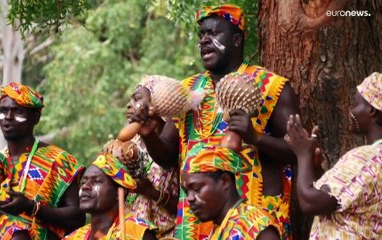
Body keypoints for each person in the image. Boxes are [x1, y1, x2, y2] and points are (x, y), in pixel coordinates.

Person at [128, 4, 299, 239]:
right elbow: (168, 158)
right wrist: (148, 135)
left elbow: (300, 151)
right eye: (201, 35)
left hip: (254, 218)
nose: (205, 41)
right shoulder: (187, 90)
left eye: (214, 33)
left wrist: (255, 138)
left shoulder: (270, 86)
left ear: (237, 39)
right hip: (195, 219)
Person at [285, 72, 382, 239]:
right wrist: (314, 168)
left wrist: (302, 155)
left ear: (371, 110)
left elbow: (310, 202)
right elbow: (342, 200)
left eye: (356, 104)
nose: (351, 111)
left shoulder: (366, 160)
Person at [0, 82, 85, 239]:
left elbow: (77, 217)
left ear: (36, 117)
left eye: (18, 111)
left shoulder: (59, 160)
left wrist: (32, 208)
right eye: (3, 111)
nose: (8, 117)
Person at [181, 143, 280, 239]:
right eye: (186, 192)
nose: (190, 198)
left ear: (225, 181)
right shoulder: (217, 231)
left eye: (196, 188)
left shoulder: (256, 225)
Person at [123, 77, 179, 238]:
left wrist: (152, 192)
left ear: (158, 102)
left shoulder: (180, 144)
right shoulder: (125, 146)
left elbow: (189, 206)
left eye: (137, 98)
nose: (129, 105)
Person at [63, 153, 158, 239]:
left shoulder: (136, 232)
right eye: (84, 181)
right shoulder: (74, 237)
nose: (85, 186)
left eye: (96, 181)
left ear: (119, 192)